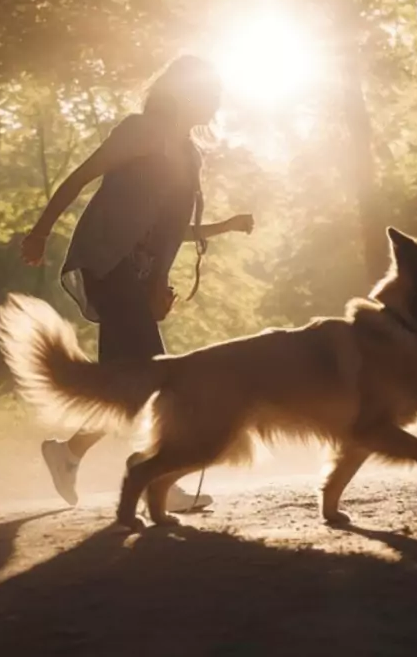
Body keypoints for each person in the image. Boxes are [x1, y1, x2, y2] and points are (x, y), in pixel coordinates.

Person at [20, 54, 254, 513]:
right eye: (210, 92)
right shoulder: (141, 131)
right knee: (156, 375)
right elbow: (81, 177)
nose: (217, 100)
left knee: (122, 385)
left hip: (138, 276)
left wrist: (216, 231)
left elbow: (166, 230)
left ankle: (67, 454)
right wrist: (41, 231)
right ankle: (156, 477)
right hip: (108, 267)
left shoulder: (189, 154)